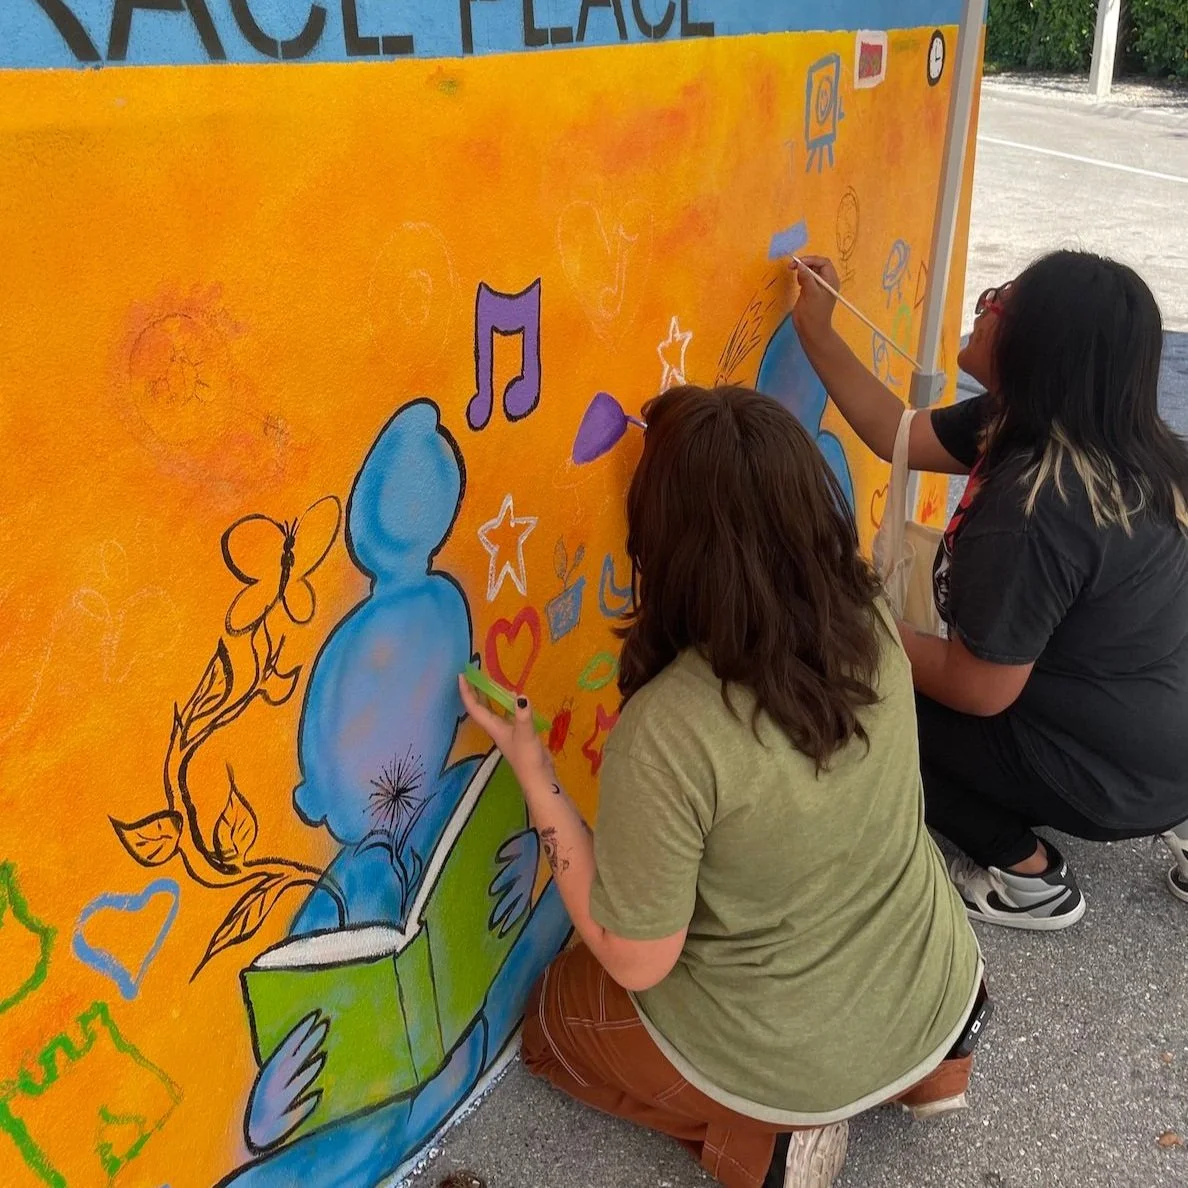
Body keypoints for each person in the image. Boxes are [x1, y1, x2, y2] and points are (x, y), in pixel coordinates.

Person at [459, 385, 985, 1188]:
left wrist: (534, 770)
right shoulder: (867, 613)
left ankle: (763, 1147)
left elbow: (636, 962)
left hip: (797, 1051)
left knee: (553, 1025)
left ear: (664, 544)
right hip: (937, 980)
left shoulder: (672, 727)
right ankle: (931, 1068)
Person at [792, 249, 1188, 930]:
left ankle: (1025, 873)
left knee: (851, 696)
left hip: (1111, 779)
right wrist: (817, 329)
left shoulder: (1037, 507)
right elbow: (897, 433)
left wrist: (851, 620)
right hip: (1160, 737)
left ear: (1038, 347)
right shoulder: (1103, 437)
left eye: (1001, 301)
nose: (983, 305)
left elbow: (979, 688)